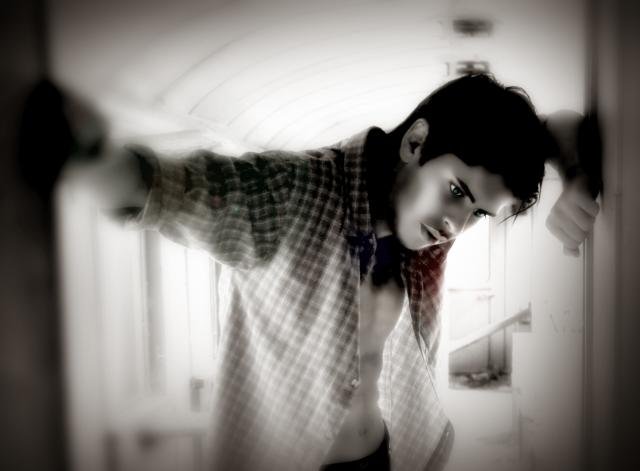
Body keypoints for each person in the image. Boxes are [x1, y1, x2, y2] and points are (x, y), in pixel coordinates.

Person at [65, 73, 600, 471]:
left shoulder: (425, 231)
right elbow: (170, 191)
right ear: (415, 142)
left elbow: (560, 128)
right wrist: (89, 157)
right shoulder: (293, 194)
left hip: (383, 455)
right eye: (456, 191)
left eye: (477, 213)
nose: (454, 226)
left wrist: (577, 178)